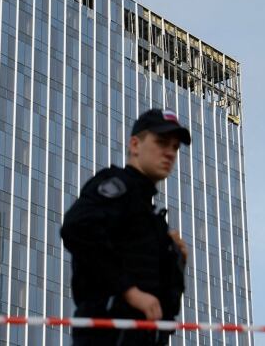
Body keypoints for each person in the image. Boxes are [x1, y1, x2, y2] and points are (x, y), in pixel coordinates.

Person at [60, 108, 191, 346]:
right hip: (110, 334)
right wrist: (129, 291)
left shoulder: (150, 216)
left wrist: (176, 260)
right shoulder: (118, 185)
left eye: (175, 147)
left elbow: (163, 304)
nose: (170, 153)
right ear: (135, 145)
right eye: (161, 142)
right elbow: (76, 228)